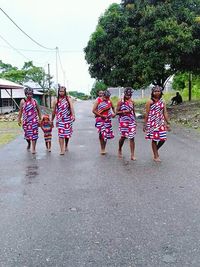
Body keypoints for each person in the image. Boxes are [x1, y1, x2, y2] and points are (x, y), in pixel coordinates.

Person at [143, 85, 170, 162]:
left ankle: (155, 150)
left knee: (163, 139)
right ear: (152, 92)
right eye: (155, 91)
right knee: (154, 139)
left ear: (161, 92)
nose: (157, 92)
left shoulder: (163, 101)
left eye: (158, 91)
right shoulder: (150, 101)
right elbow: (147, 113)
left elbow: (165, 112)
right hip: (152, 123)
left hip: (161, 122)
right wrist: (145, 124)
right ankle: (156, 155)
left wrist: (168, 122)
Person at [51, 85, 75, 155]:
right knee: (61, 134)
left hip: (68, 119)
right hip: (60, 120)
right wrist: (52, 120)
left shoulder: (68, 99)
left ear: (65, 92)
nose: (61, 92)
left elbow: (71, 108)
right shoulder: (56, 100)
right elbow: (53, 111)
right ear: (58, 92)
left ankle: (66, 145)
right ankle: (62, 149)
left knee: (66, 134)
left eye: (62, 91)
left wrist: (73, 115)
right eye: (60, 91)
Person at [18, 87, 41, 154]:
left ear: (32, 94)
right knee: (27, 135)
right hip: (26, 121)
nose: (29, 95)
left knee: (34, 135)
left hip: (34, 121)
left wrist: (40, 119)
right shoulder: (23, 101)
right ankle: (29, 143)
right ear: (25, 94)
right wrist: (19, 119)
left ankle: (33, 148)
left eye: (30, 94)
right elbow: (20, 111)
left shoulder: (35, 101)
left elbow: (39, 110)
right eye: (27, 94)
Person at [116, 87, 136, 160]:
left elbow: (133, 111)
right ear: (124, 94)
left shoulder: (132, 102)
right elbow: (116, 112)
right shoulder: (120, 102)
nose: (129, 96)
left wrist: (135, 121)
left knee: (132, 137)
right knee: (123, 137)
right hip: (123, 122)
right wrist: (124, 112)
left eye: (130, 95)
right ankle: (119, 149)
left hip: (131, 121)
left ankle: (132, 155)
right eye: (127, 95)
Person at [92, 90, 115, 155]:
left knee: (106, 134)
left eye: (108, 97)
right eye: (106, 97)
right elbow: (93, 110)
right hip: (100, 119)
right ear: (103, 95)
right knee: (101, 133)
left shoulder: (109, 100)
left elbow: (113, 107)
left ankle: (104, 148)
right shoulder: (98, 100)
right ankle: (102, 149)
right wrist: (101, 115)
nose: (107, 99)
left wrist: (114, 113)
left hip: (107, 119)